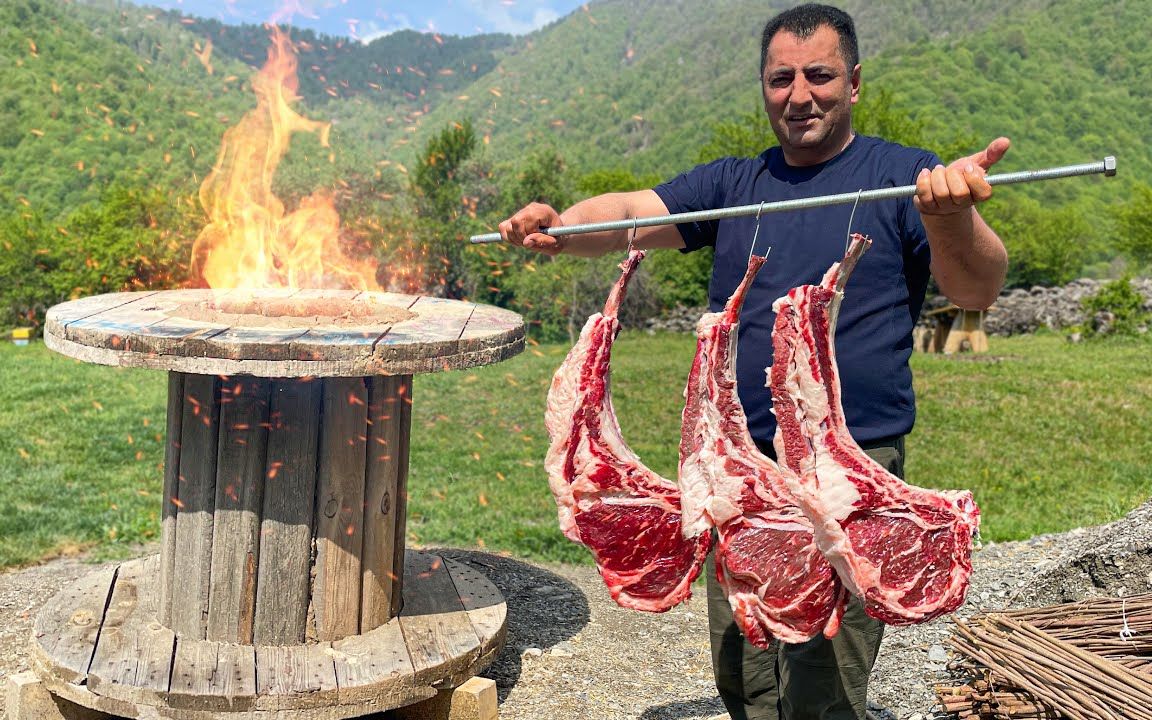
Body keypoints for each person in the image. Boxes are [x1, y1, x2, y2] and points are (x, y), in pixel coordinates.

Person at [499, 4, 1008, 720]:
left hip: (850, 468)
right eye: (781, 78)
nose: (800, 95)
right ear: (764, 87)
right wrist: (558, 226)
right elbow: (626, 214)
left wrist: (954, 213)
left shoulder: (906, 178)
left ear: (854, 83)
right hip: (737, 465)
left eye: (820, 75)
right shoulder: (737, 184)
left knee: (824, 690)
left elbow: (976, 287)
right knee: (744, 672)